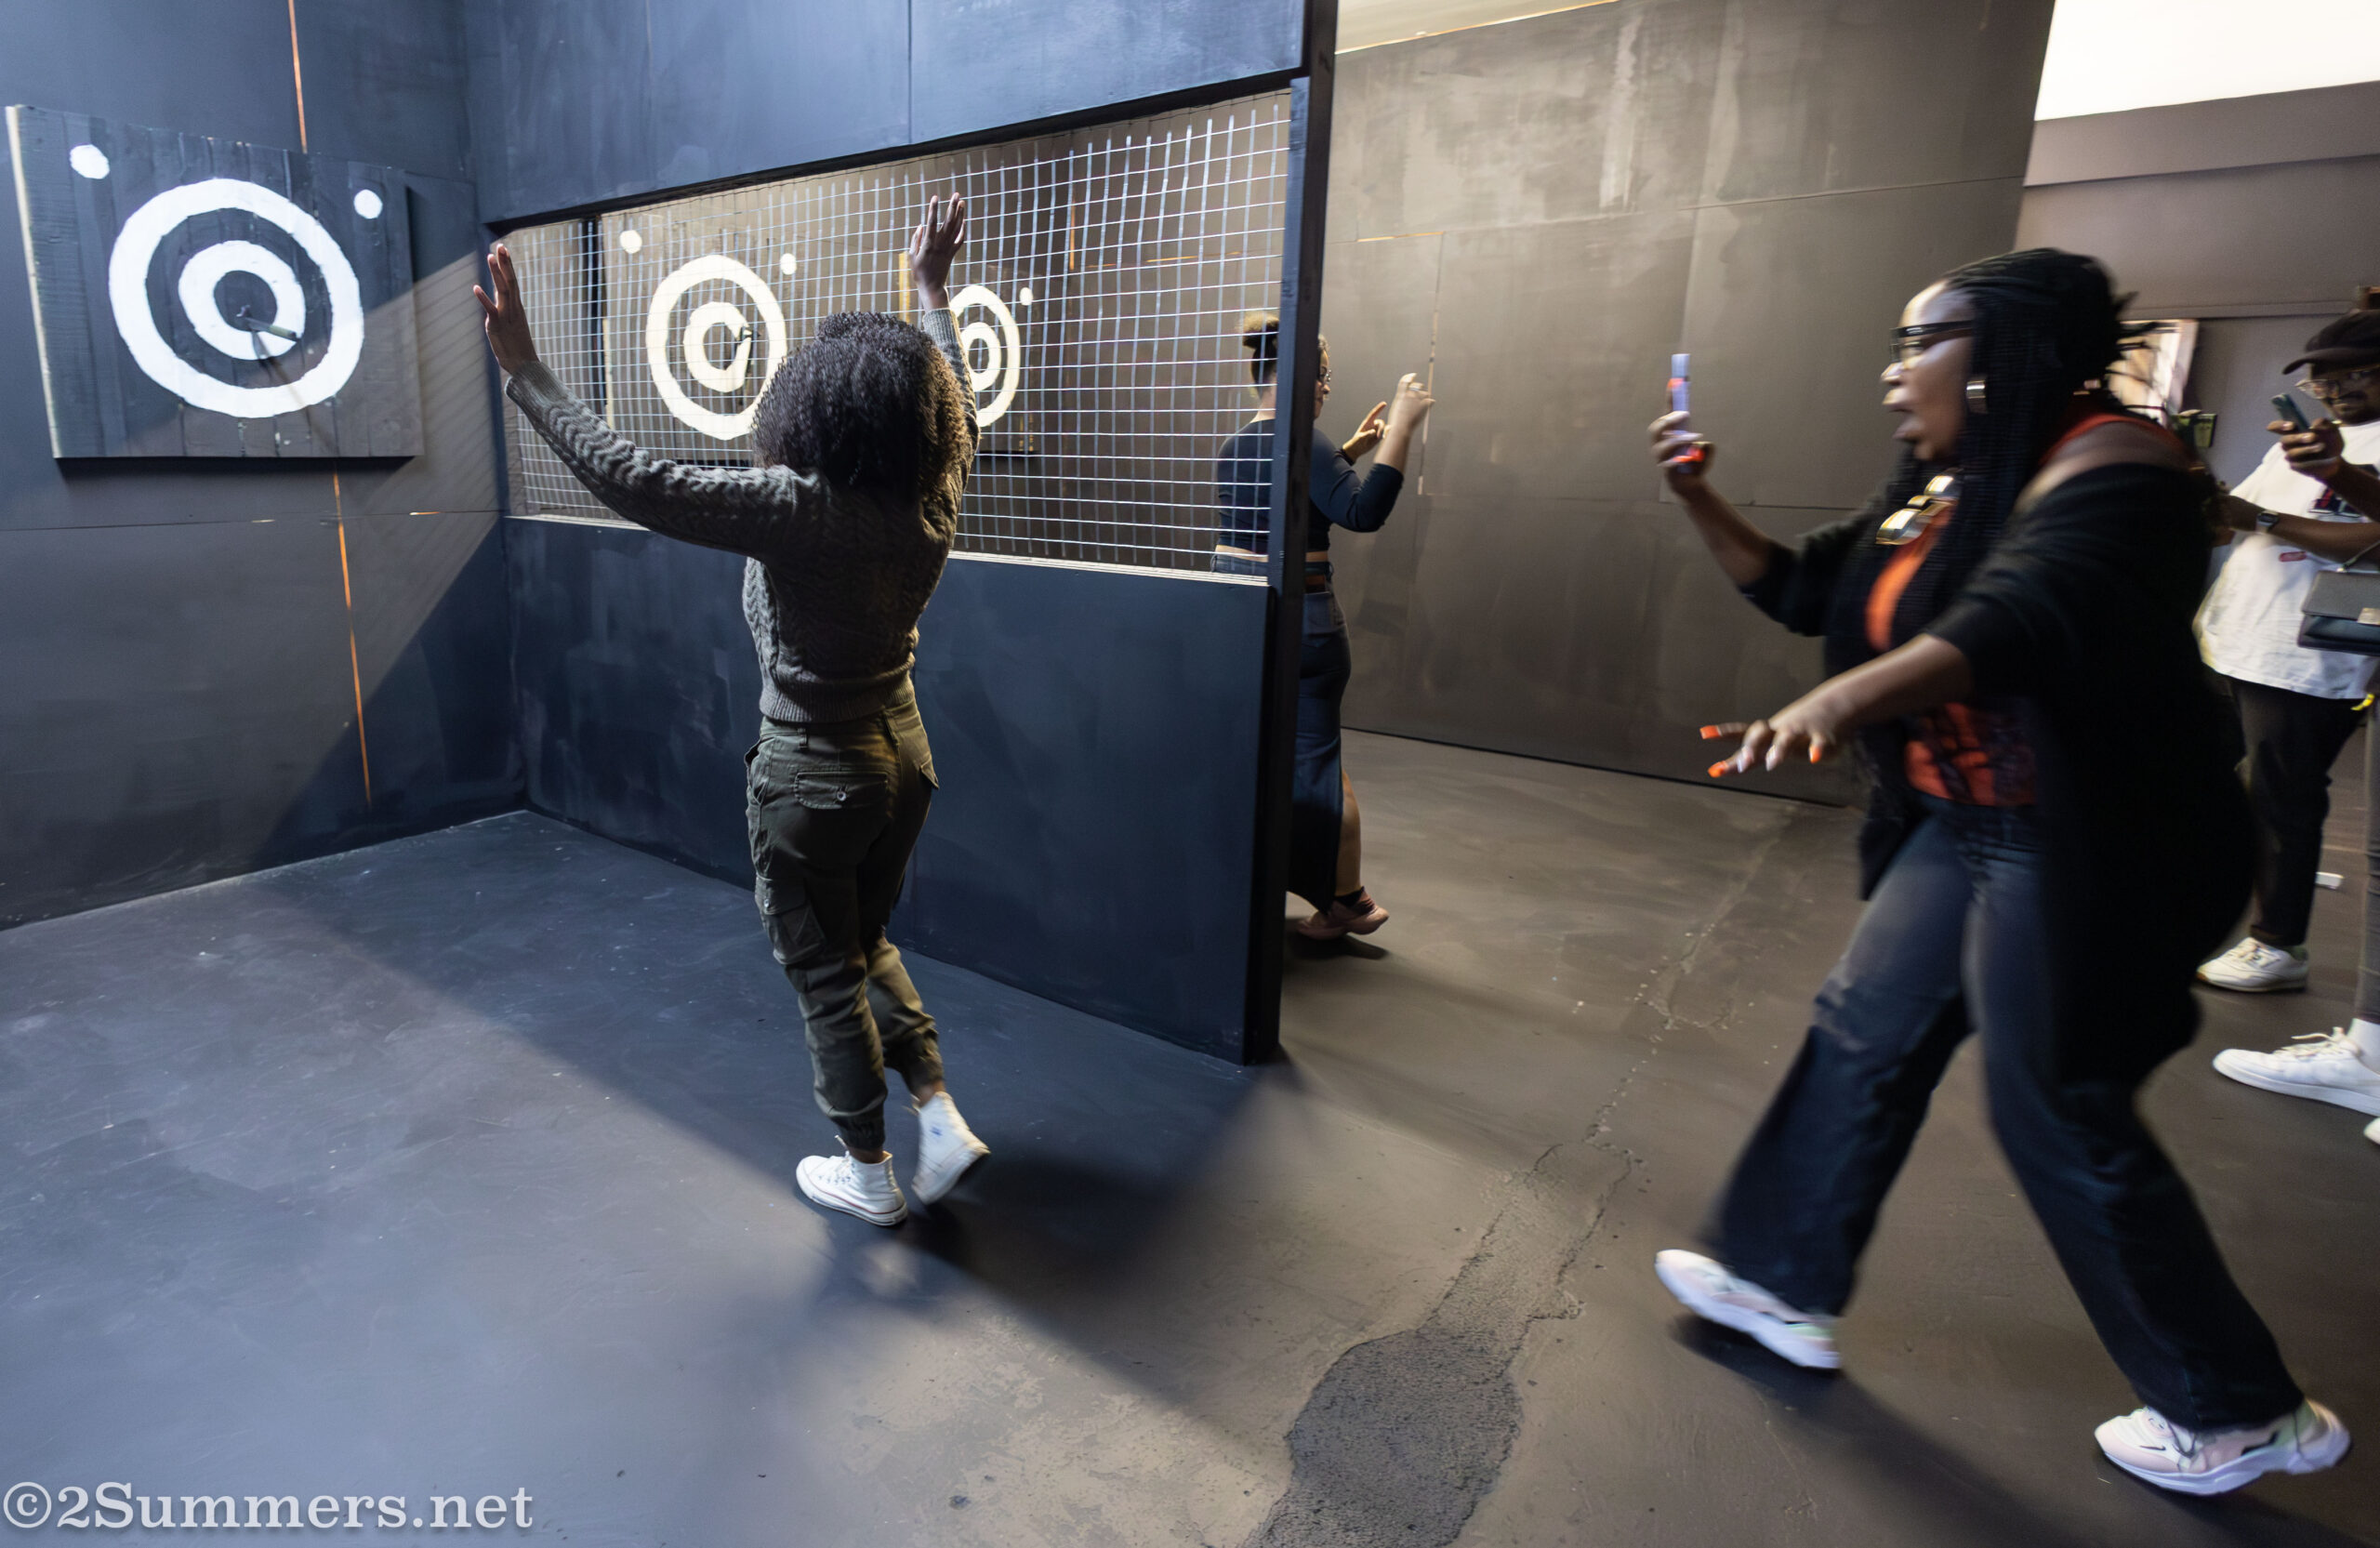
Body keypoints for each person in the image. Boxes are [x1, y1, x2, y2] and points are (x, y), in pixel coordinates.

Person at [1642, 249, 2348, 1495]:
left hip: (2087, 840)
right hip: (1963, 821)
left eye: (1920, 341)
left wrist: (1845, 699)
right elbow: (1811, 590)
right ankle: (1782, 1277)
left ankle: (2241, 1410)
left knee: (2054, 1100)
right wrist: (1703, 500)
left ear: (2006, 347)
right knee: (1863, 1030)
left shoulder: (2120, 468)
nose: (1892, 373)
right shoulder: (1944, 480)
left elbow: (2020, 616)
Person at [475, 197, 992, 1228]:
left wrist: (525, 374)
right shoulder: (935, 489)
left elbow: (633, 478)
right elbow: (960, 396)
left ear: (818, 414)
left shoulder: (802, 512)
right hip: (902, 756)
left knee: (821, 971)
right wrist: (931, 291)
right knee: (863, 938)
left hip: (816, 772)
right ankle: (936, 1111)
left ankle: (868, 1169)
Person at [2204, 309, 2380, 1144]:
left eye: (2353, 374)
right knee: (2232, 784)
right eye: (2322, 378)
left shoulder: (2364, 449)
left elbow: (2371, 540)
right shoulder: (2296, 442)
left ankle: (2279, 943)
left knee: (2284, 796)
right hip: (2246, 639)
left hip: (2317, 656)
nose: (2335, 390)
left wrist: (2262, 520)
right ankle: (2224, 912)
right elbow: (2248, 515)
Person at [1214, 313, 1433, 939]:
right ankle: (1347, 901)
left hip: (1247, 632)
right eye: (1325, 374)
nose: (1328, 388)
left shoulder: (1238, 446)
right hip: (1307, 633)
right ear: (1300, 373)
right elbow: (1362, 510)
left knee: (1257, 761)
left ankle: (1258, 884)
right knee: (1317, 765)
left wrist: (1349, 452)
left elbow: (1290, 504)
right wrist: (1402, 433)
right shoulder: (1304, 442)